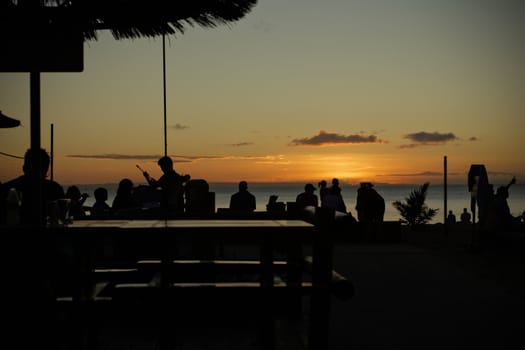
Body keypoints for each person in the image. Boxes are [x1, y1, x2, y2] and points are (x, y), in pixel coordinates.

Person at [0, 148, 64, 226]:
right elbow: (61, 218)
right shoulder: (55, 189)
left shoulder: (8, 188)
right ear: (47, 170)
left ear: (24, 167)